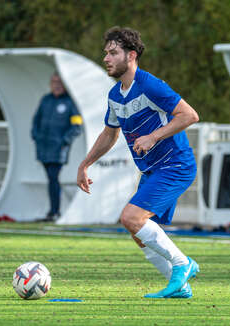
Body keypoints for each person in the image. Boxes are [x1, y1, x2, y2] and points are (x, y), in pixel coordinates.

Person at [77, 26, 199, 298]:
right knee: (136, 228)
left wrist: (153, 137)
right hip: (153, 169)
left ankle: (183, 264)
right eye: (105, 53)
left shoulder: (150, 85)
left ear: (131, 55)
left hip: (175, 165)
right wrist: (85, 164)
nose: (106, 58)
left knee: (131, 217)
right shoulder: (115, 95)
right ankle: (179, 285)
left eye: (113, 53)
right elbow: (110, 133)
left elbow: (189, 115)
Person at [31, 72, 82, 222]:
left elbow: (76, 127)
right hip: (43, 147)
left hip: (58, 149)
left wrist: (64, 141)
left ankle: (55, 212)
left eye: (59, 82)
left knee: (53, 177)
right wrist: (36, 136)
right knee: (50, 178)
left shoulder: (70, 102)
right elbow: (36, 120)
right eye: (54, 82)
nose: (56, 85)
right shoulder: (46, 100)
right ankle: (53, 211)